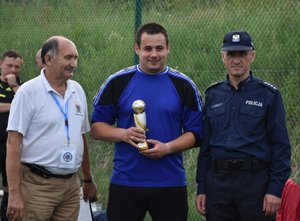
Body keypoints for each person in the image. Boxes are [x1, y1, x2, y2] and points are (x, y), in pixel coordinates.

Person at [91, 22, 204, 221]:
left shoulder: (184, 85)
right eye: (147, 48)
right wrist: (123, 134)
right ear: (137, 49)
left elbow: (196, 133)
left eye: (159, 48)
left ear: (168, 48)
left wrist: (167, 148)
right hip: (126, 181)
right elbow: (96, 129)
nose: (154, 54)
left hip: (170, 182)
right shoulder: (117, 82)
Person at [195, 31, 291, 221]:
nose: (236, 60)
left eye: (242, 54)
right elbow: (205, 147)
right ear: (223, 57)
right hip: (218, 185)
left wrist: (275, 189)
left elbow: (280, 146)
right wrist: (202, 187)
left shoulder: (268, 95)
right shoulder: (213, 94)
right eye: (231, 54)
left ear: (252, 56)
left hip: (255, 184)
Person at [6, 36, 97, 221]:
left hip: (71, 187)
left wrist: (87, 179)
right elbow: (13, 143)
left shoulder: (77, 90)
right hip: (37, 186)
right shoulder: (28, 92)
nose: (74, 64)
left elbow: (82, 137)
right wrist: (14, 194)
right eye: (68, 57)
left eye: (76, 58)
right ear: (48, 59)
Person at [0, 50, 23, 221]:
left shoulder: (20, 86)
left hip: (9, 145)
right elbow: (19, 105)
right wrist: (14, 105)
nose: (13, 70)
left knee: (10, 187)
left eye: (17, 67)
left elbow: (27, 104)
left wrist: (14, 85)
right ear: (1, 64)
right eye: (9, 65)